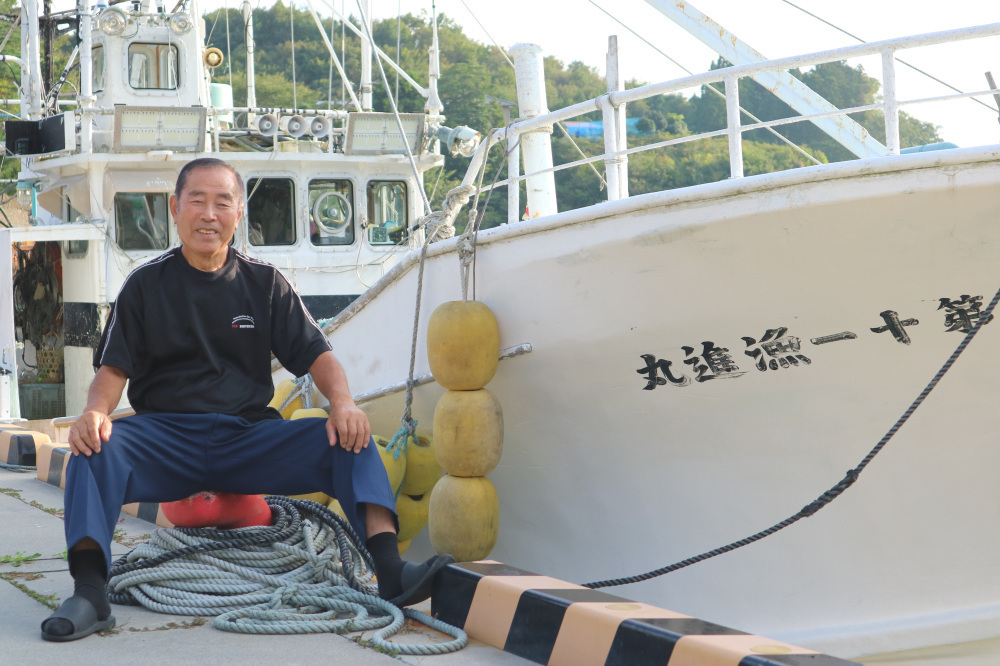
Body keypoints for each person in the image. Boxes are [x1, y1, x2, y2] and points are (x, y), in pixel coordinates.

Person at [40, 157, 452, 642]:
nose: (208, 214)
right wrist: (94, 414)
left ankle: (390, 573)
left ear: (239, 214)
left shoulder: (265, 283)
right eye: (197, 200)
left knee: (350, 439)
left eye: (222, 202)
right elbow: (112, 370)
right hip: (168, 438)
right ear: (175, 209)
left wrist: (343, 403)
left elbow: (318, 354)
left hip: (249, 437)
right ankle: (90, 592)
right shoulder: (145, 285)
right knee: (94, 450)